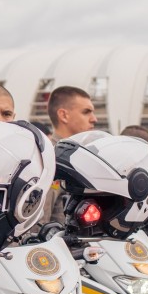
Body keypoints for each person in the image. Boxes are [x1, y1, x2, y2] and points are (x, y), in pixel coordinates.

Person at [42, 86, 97, 224]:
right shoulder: (49, 158)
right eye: (86, 112)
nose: (94, 119)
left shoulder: (81, 157)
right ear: (64, 115)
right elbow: (39, 225)